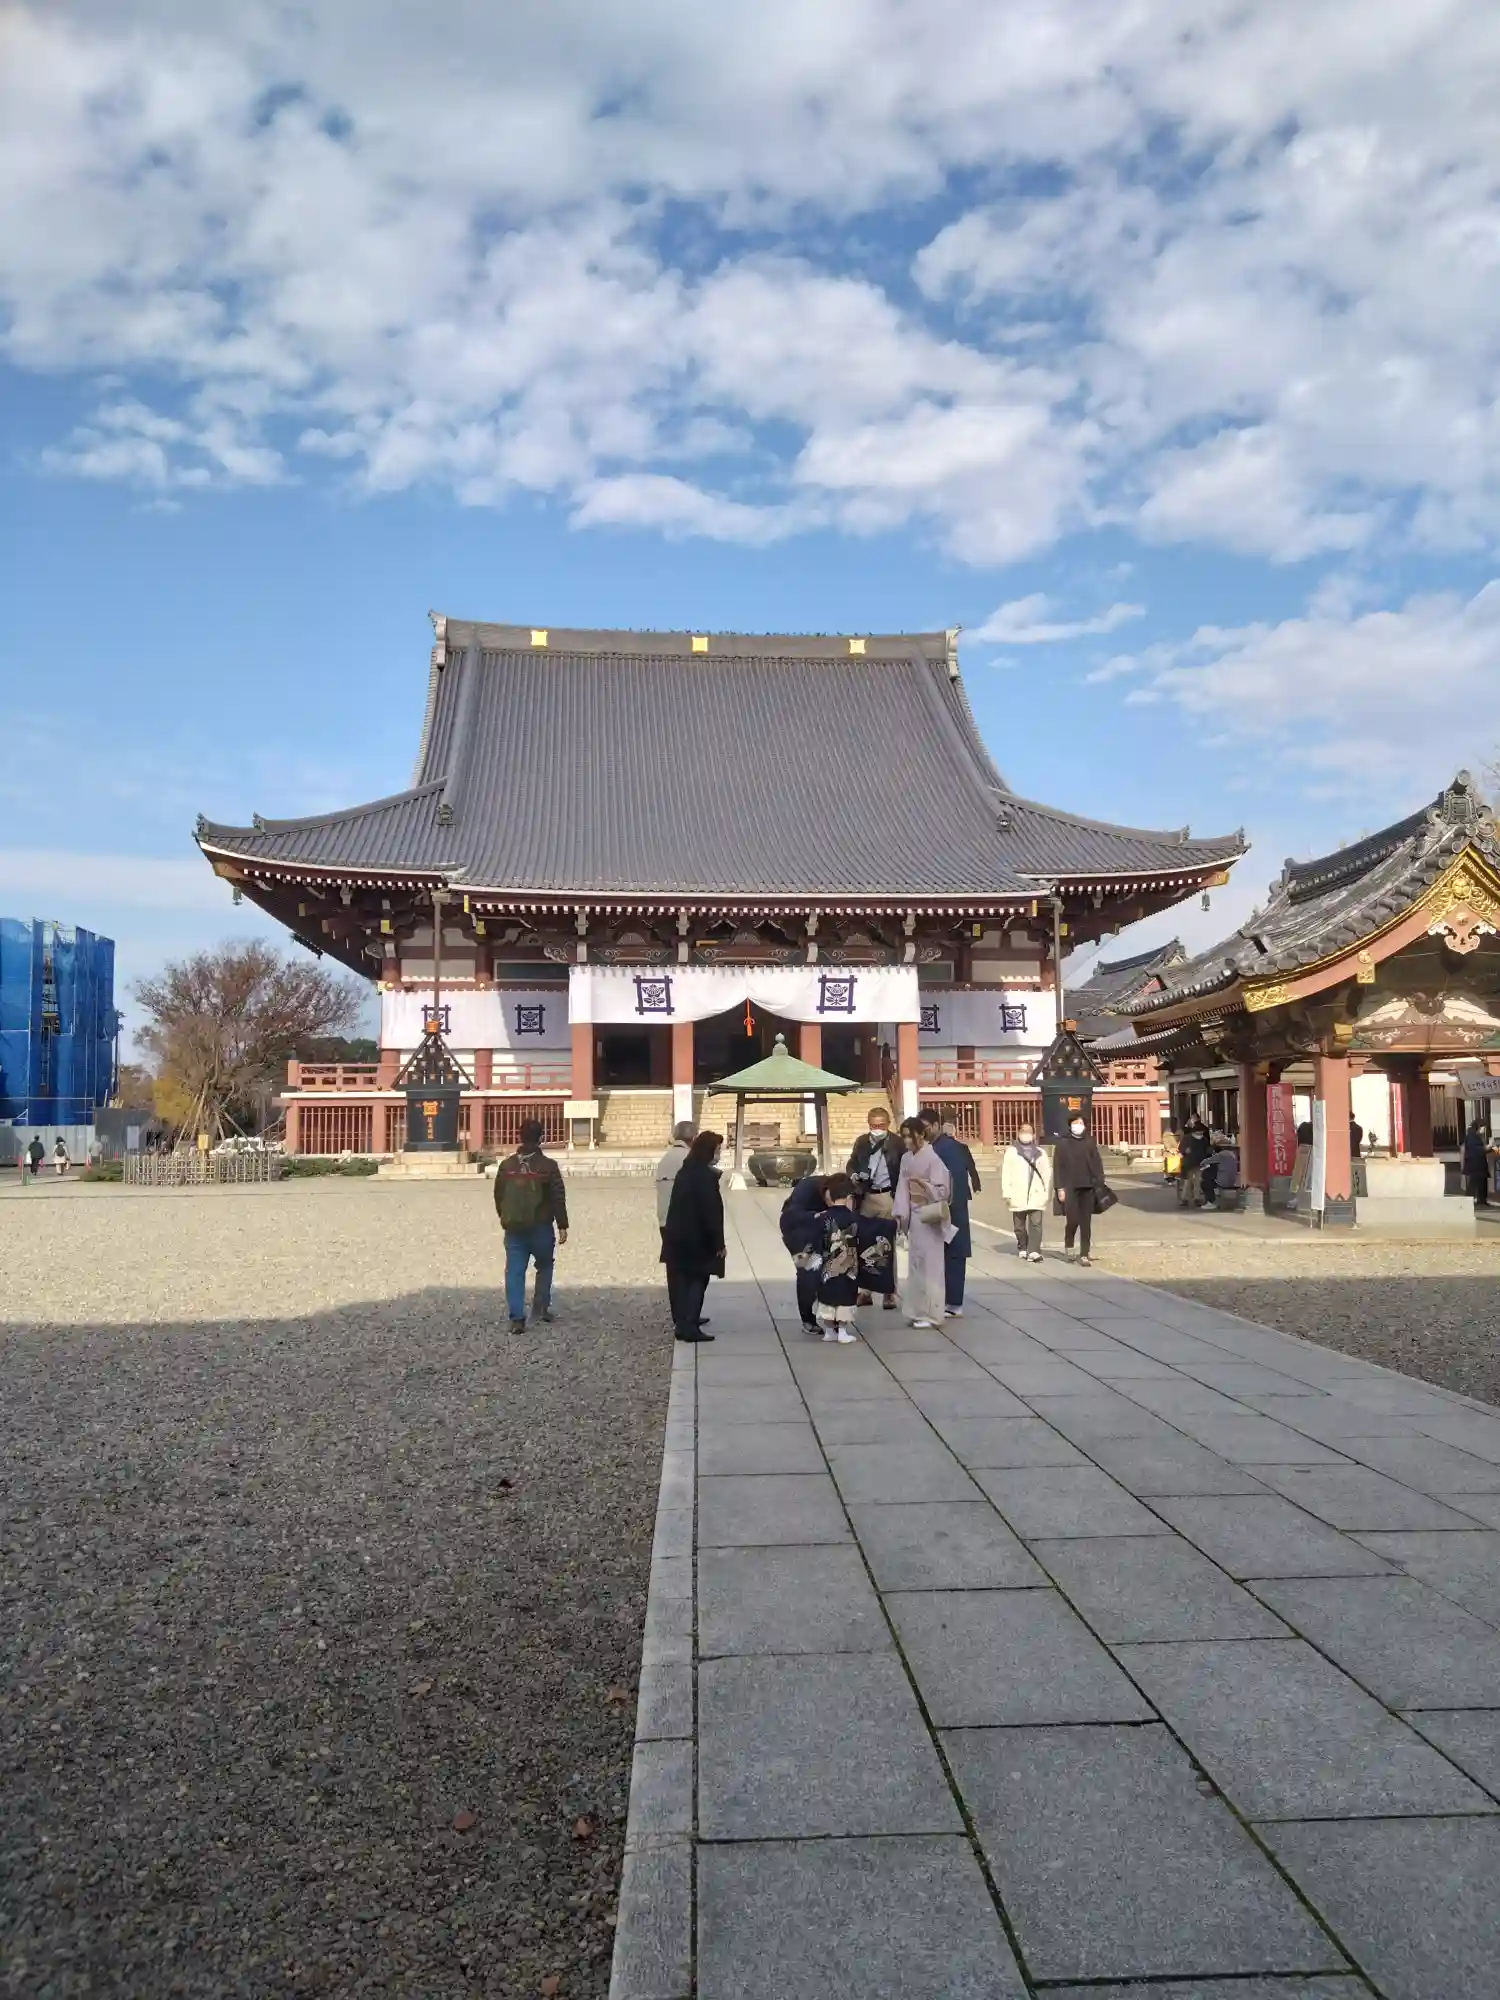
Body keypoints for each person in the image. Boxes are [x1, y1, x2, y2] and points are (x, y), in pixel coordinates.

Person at [493, 1117, 569, 1334]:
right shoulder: (549, 1166)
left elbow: (498, 1195)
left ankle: (517, 1318)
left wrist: (505, 1217)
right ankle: (541, 1307)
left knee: (514, 1271)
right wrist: (562, 1224)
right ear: (541, 1138)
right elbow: (557, 1197)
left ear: (519, 1136)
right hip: (541, 1226)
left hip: (514, 1227)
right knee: (544, 1265)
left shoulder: (507, 1166)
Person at [661, 1131, 726, 1343]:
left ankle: (683, 1323)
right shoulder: (704, 1176)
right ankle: (690, 1326)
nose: (718, 1154)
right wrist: (719, 1243)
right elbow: (711, 1213)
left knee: (681, 1283)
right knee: (697, 1280)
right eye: (717, 1150)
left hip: (678, 1235)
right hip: (697, 1239)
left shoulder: (686, 1170)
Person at [893, 1114, 952, 1327]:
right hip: (914, 1214)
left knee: (931, 1265)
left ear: (921, 1134)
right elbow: (902, 1187)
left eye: (910, 1136)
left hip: (929, 1213)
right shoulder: (906, 1158)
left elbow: (943, 1189)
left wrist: (923, 1185)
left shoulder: (933, 1158)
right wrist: (901, 1214)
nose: (907, 1140)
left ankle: (932, 1313)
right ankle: (917, 1310)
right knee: (916, 1264)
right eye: (904, 1136)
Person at [848, 1106, 905, 1309]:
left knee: (886, 1244)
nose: (877, 1129)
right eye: (873, 1125)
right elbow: (852, 1163)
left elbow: (903, 1170)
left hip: (887, 1195)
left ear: (888, 1124)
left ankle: (889, 1292)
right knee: (864, 1243)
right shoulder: (862, 1142)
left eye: (881, 1125)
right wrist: (854, 1175)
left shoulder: (897, 1143)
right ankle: (865, 1291)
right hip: (865, 1196)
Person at [933, 1116, 980, 1315]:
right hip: (949, 1206)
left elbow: (965, 1171)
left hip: (949, 1208)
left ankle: (951, 1302)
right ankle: (949, 1301)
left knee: (951, 1252)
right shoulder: (938, 1147)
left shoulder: (949, 1148)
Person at [655, 1121, 698, 1329]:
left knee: (675, 1271)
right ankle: (687, 1316)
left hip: (665, 1220)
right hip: (685, 1223)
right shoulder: (689, 1159)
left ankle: (680, 1315)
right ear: (693, 1138)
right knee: (689, 1272)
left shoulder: (665, 1159)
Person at [812, 1173, 863, 1344]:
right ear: (848, 1196)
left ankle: (829, 1331)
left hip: (826, 1265)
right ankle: (842, 1331)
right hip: (848, 1267)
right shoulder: (854, 1218)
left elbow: (815, 1242)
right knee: (845, 1296)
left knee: (826, 1295)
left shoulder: (821, 1217)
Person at [1052, 1111, 1107, 1266]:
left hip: (1088, 1187)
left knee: (1085, 1222)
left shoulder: (1089, 1142)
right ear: (1070, 1125)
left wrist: (1100, 1181)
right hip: (1070, 1187)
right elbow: (1058, 1167)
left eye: (1081, 1123)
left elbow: (1097, 1163)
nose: (1078, 1126)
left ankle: (1084, 1253)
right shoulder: (1063, 1143)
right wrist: (1059, 1188)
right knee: (1073, 1219)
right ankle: (1069, 1244)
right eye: (1075, 1123)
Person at [780, 1173, 828, 1332]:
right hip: (796, 1231)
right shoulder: (807, 1186)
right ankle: (807, 1319)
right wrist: (817, 1215)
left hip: (818, 1230)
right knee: (808, 1271)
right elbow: (792, 1214)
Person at [1000, 1120, 1052, 1262]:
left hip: (1036, 1193)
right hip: (1017, 1192)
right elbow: (1006, 1173)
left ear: (1034, 1135)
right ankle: (1023, 1246)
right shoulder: (1011, 1152)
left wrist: (1046, 1192)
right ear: (1018, 1133)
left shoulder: (1041, 1153)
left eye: (1029, 1131)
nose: (1026, 1134)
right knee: (1019, 1226)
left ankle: (1034, 1250)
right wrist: (1006, 1192)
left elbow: (1046, 1174)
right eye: (1023, 1131)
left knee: (1036, 1223)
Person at [1178, 1115, 1211, 1207]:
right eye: (1199, 1132)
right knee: (1189, 1181)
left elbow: (1207, 1150)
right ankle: (1185, 1199)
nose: (1200, 1134)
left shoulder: (1203, 1139)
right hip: (1189, 1163)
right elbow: (1181, 1148)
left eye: (1201, 1132)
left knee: (1197, 1181)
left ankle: (1195, 1198)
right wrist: (1185, 1151)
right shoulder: (1188, 1138)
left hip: (1198, 1162)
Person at [1198, 1133, 1240, 1205]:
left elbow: (1204, 1162)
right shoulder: (1232, 1154)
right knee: (1210, 1174)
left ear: (1215, 1151)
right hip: (1233, 1180)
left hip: (1224, 1181)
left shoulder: (1220, 1155)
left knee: (1205, 1183)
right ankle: (1211, 1201)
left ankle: (1211, 1202)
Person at [1462, 1123, 1492, 1208]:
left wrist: (1489, 1148)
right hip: (1475, 1164)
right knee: (1475, 1183)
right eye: (1482, 1128)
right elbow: (1476, 1150)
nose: (1483, 1130)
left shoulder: (1474, 1136)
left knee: (1480, 1183)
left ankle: (1481, 1201)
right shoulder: (1472, 1137)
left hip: (1477, 1164)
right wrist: (1487, 1147)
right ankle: (1470, 1201)